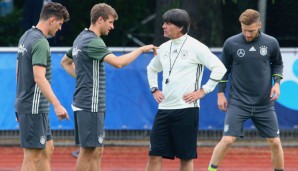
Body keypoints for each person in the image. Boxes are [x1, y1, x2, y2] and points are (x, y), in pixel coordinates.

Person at [60, 3, 157, 171]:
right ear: (100, 20)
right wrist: (141, 49)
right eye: (110, 22)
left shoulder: (81, 37)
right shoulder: (94, 42)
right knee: (88, 151)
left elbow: (65, 62)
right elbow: (119, 63)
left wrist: (83, 78)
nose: (112, 27)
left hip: (86, 101)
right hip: (90, 103)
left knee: (97, 150)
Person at [146, 9, 226, 171]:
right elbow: (151, 69)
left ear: (180, 27)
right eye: (164, 23)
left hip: (187, 110)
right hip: (164, 110)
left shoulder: (196, 47)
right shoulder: (163, 48)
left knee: (185, 157)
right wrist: (154, 88)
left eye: (168, 23)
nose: (163, 26)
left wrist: (203, 91)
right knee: (154, 154)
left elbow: (219, 68)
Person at [208, 9, 284, 171]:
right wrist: (220, 93)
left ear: (259, 25)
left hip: (264, 103)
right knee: (228, 140)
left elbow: (277, 63)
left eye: (251, 31)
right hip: (238, 102)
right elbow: (222, 70)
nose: (247, 34)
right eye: (244, 30)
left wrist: (277, 83)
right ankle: (211, 169)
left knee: (275, 142)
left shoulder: (271, 43)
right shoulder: (231, 43)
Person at [15, 2, 69, 171]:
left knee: (47, 148)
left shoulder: (26, 35)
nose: (59, 29)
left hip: (32, 106)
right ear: (52, 20)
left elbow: (18, 72)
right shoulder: (41, 42)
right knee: (33, 156)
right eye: (60, 24)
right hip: (33, 107)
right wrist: (57, 104)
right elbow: (39, 77)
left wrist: (18, 102)